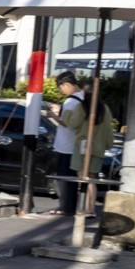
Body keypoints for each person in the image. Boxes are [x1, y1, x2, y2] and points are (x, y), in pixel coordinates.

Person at [63, 84, 114, 217]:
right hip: (99, 147)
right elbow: (109, 129)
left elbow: (73, 124)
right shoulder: (105, 108)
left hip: (83, 146)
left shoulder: (82, 107)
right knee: (92, 179)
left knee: (83, 178)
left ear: (85, 93)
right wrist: (108, 144)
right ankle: (91, 208)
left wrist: (66, 113)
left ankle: (87, 209)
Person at [48, 71, 84, 216]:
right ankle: (70, 206)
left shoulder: (70, 101)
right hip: (76, 144)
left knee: (63, 178)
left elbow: (67, 123)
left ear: (67, 85)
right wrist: (61, 110)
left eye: (61, 87)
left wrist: (53, 115)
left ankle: (65, 207)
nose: (61, 90)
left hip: (66, 145)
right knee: (72, 179)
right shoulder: (82, 97)